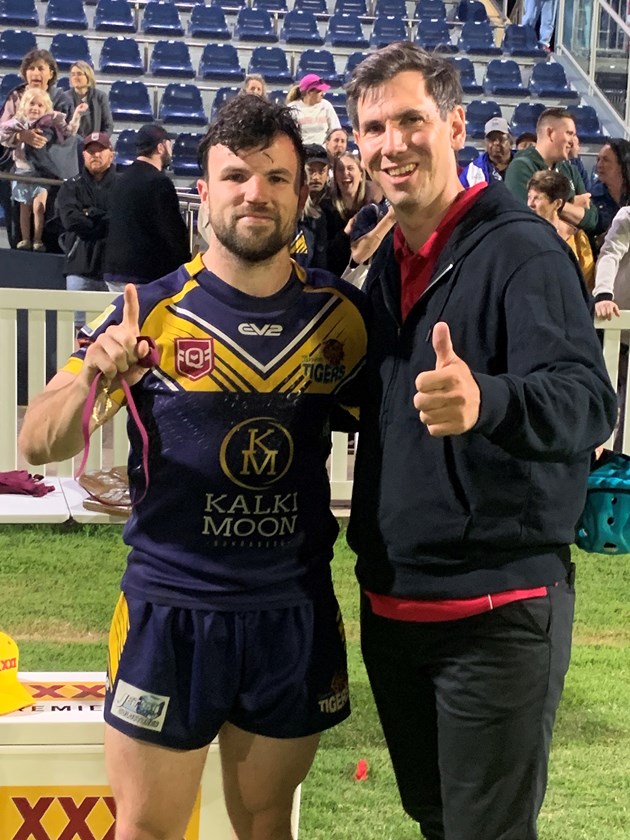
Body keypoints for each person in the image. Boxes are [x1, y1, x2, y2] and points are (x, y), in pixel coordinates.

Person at [18, 93, 368, 840]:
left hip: (291, 613)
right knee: (147, 829)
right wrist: (92, 377)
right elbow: (36, 444)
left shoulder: (340, 318)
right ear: (202, 192)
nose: (256, 193)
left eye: (277, 178)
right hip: (168, 613)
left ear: (303, 193)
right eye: (236, 176)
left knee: (268, 824)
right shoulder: (148, 312)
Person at [344, 41, 616, 840]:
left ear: (455, 124)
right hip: (394, 606)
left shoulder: (522, 250)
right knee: (436, 822)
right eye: (372, 127)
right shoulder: (386, 265)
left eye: (410, 120)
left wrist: (487, 398)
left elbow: (586, 403)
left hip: (496, 613)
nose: (392, 143)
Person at [103, 123, 190, 292]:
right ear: (160, 147)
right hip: (145, 275)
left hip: (114, 272)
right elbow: (171, 232)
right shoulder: (159, 182)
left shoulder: (119, 180)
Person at [0, 48, 72, 247]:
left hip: (50, 173)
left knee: (48, 228)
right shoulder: (14, 96)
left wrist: (36, 138)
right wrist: (20, 136)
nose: (35, 73)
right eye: (31, 68)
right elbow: (1, 132)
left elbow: (60, 138)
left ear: (51, 73)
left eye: (41, 68)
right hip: (17, 170)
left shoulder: (61, 101)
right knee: (18, 229)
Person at [0, 88, 86, 251]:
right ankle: (25, 239)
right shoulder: (17, 123)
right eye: (32, 104)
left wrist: (77, 115)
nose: (35, 108)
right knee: (24, 210)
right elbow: (2, 134)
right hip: (22, 173)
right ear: (24, 105)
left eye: (40, 105)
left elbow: (70, 132)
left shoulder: (52, 122)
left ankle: (38, 239)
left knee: (39, 208)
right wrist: (20, 135)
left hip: (41, 172)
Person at [505, 106, 598, 235]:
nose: (573, 141)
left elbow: (592, 219)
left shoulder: (570, 170)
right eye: (569, 133)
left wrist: (550, 206)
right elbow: (531, 219)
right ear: (550, 133)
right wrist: (570, 205)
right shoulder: (520, 168)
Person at [56, 131, 118, 294]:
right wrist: (104, 219)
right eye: (90, 151)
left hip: (115, 271)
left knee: (114, 320)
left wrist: (90, 213)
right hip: (79, 268)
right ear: (83, 155)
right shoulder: (71, 186)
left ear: (111, 155)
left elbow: (123, 221)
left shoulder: (123, 186)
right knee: (77, 320)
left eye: (100, 150)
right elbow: (71, 220)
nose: (95, 155)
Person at [527, 169, 595, 289]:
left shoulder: (578, 239)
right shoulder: (523, 235)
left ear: (557, 204)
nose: (530, 204)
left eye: (537, 198)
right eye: (529, 197)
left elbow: (587, 283)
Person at [591, 138, 630, 241]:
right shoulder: (592, 198)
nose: (599, 165)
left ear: (622, 165)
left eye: (606, 160)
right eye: (598, 160)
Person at [459, 116, 514, 187]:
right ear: (485, 143)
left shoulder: (523, 166)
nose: (496, 143)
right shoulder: (473, 170)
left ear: (511, 142)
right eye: (492, 139)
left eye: (501, 139)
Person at [287, 74, 341, 145]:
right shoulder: (292, 108)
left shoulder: (326, 106)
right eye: (319, 91)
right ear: (309, 92)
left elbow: (336, 130)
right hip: (302, 151)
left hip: (324, 151)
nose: (323, 94)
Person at [68, 60, 114, 137]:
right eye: (73, 75)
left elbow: (108, 126)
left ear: (88, 76)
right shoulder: (64, 98)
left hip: (95, 145)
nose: (75, 77)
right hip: (72, 145)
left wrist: (97, 142)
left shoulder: (100, 96)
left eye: (79, 74)